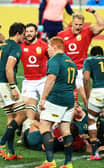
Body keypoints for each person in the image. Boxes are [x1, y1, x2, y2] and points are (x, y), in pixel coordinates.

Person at [36, 37, 77, 168]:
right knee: (66, 130)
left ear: (54, 47)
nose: (47, 49)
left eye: (48, 47)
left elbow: (51, 79)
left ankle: (50, 162)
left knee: (44, 127)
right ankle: (68, 163)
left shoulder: (54, 60)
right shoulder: (71, 62)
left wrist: (43, 98)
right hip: (69, 99)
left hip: (56, 98)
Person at [57, 7, 104, 107]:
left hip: (80, 70)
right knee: (68, 97)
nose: (78, 27)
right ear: (72, 23)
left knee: (85, 96)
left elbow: (102, 25)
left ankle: (91, 118)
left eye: (80, 25)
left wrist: (94, 12)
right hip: (67, 70)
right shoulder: (61, 35)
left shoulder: (86, 32)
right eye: (76, 24)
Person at [0, 22, 26, 160]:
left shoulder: (3, 44)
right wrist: (12, 87)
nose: (25, 36)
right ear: (18, 33)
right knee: (23, 114)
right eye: (23, 33)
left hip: (0, 84)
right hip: (5, 84)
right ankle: (1, 143)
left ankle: (10, 152)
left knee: (11, 117)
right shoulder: (15, 47)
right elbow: (9, 68)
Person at [20, 23, 48, 124]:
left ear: (36, 32)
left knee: (46, 108)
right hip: (28, 82)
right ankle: (27, 130)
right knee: (26, 109)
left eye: (31, 31)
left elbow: (53, 59)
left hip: (42, 81)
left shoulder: (44, 46)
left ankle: (46, 129)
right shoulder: (21, 46)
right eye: (27, 32)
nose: (28, 34)